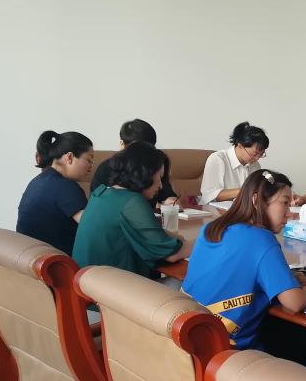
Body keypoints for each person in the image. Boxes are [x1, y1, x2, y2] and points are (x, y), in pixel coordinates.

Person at [183, 169, 306, 349]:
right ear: (256, 201)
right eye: (285, 203)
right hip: (225, 349)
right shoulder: (262, 240)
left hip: (189, 336)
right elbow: (294, 303)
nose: (289, 213)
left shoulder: (212, 228)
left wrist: (286, 280)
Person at [73, 142, 189, 277]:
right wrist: (205, 241)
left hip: (86, 282)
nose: (161, 185)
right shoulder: (131, 202)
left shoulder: (101, 193)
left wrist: (176, 239)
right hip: (114, 286)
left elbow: (153, 236)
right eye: (159, 176)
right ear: (146, 173)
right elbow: (171, 255)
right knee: (190, 285)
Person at [17, 131, 95, 255]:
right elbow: (93, 227)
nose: (91, 167)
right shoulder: (66, 187)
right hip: (57, 260)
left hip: (28, 256)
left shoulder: (38, 181)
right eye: (89, 160)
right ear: (69, 157)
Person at [91, 118, 176, 205]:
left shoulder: (157, 165)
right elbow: (97, 202)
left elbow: (167, 196)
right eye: (137, 150)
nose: (144, 156)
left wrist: (171, 202)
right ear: (122, 145)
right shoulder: (106, 168)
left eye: (149, 149)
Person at [198, 121, 269, 205]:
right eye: (254, 154)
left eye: (261, 154)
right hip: (214, 209)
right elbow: (209, 195)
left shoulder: (255, 165)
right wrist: (244, 191)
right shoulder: (218, 159)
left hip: (241, 209)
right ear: (240, 146)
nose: (257, 158)